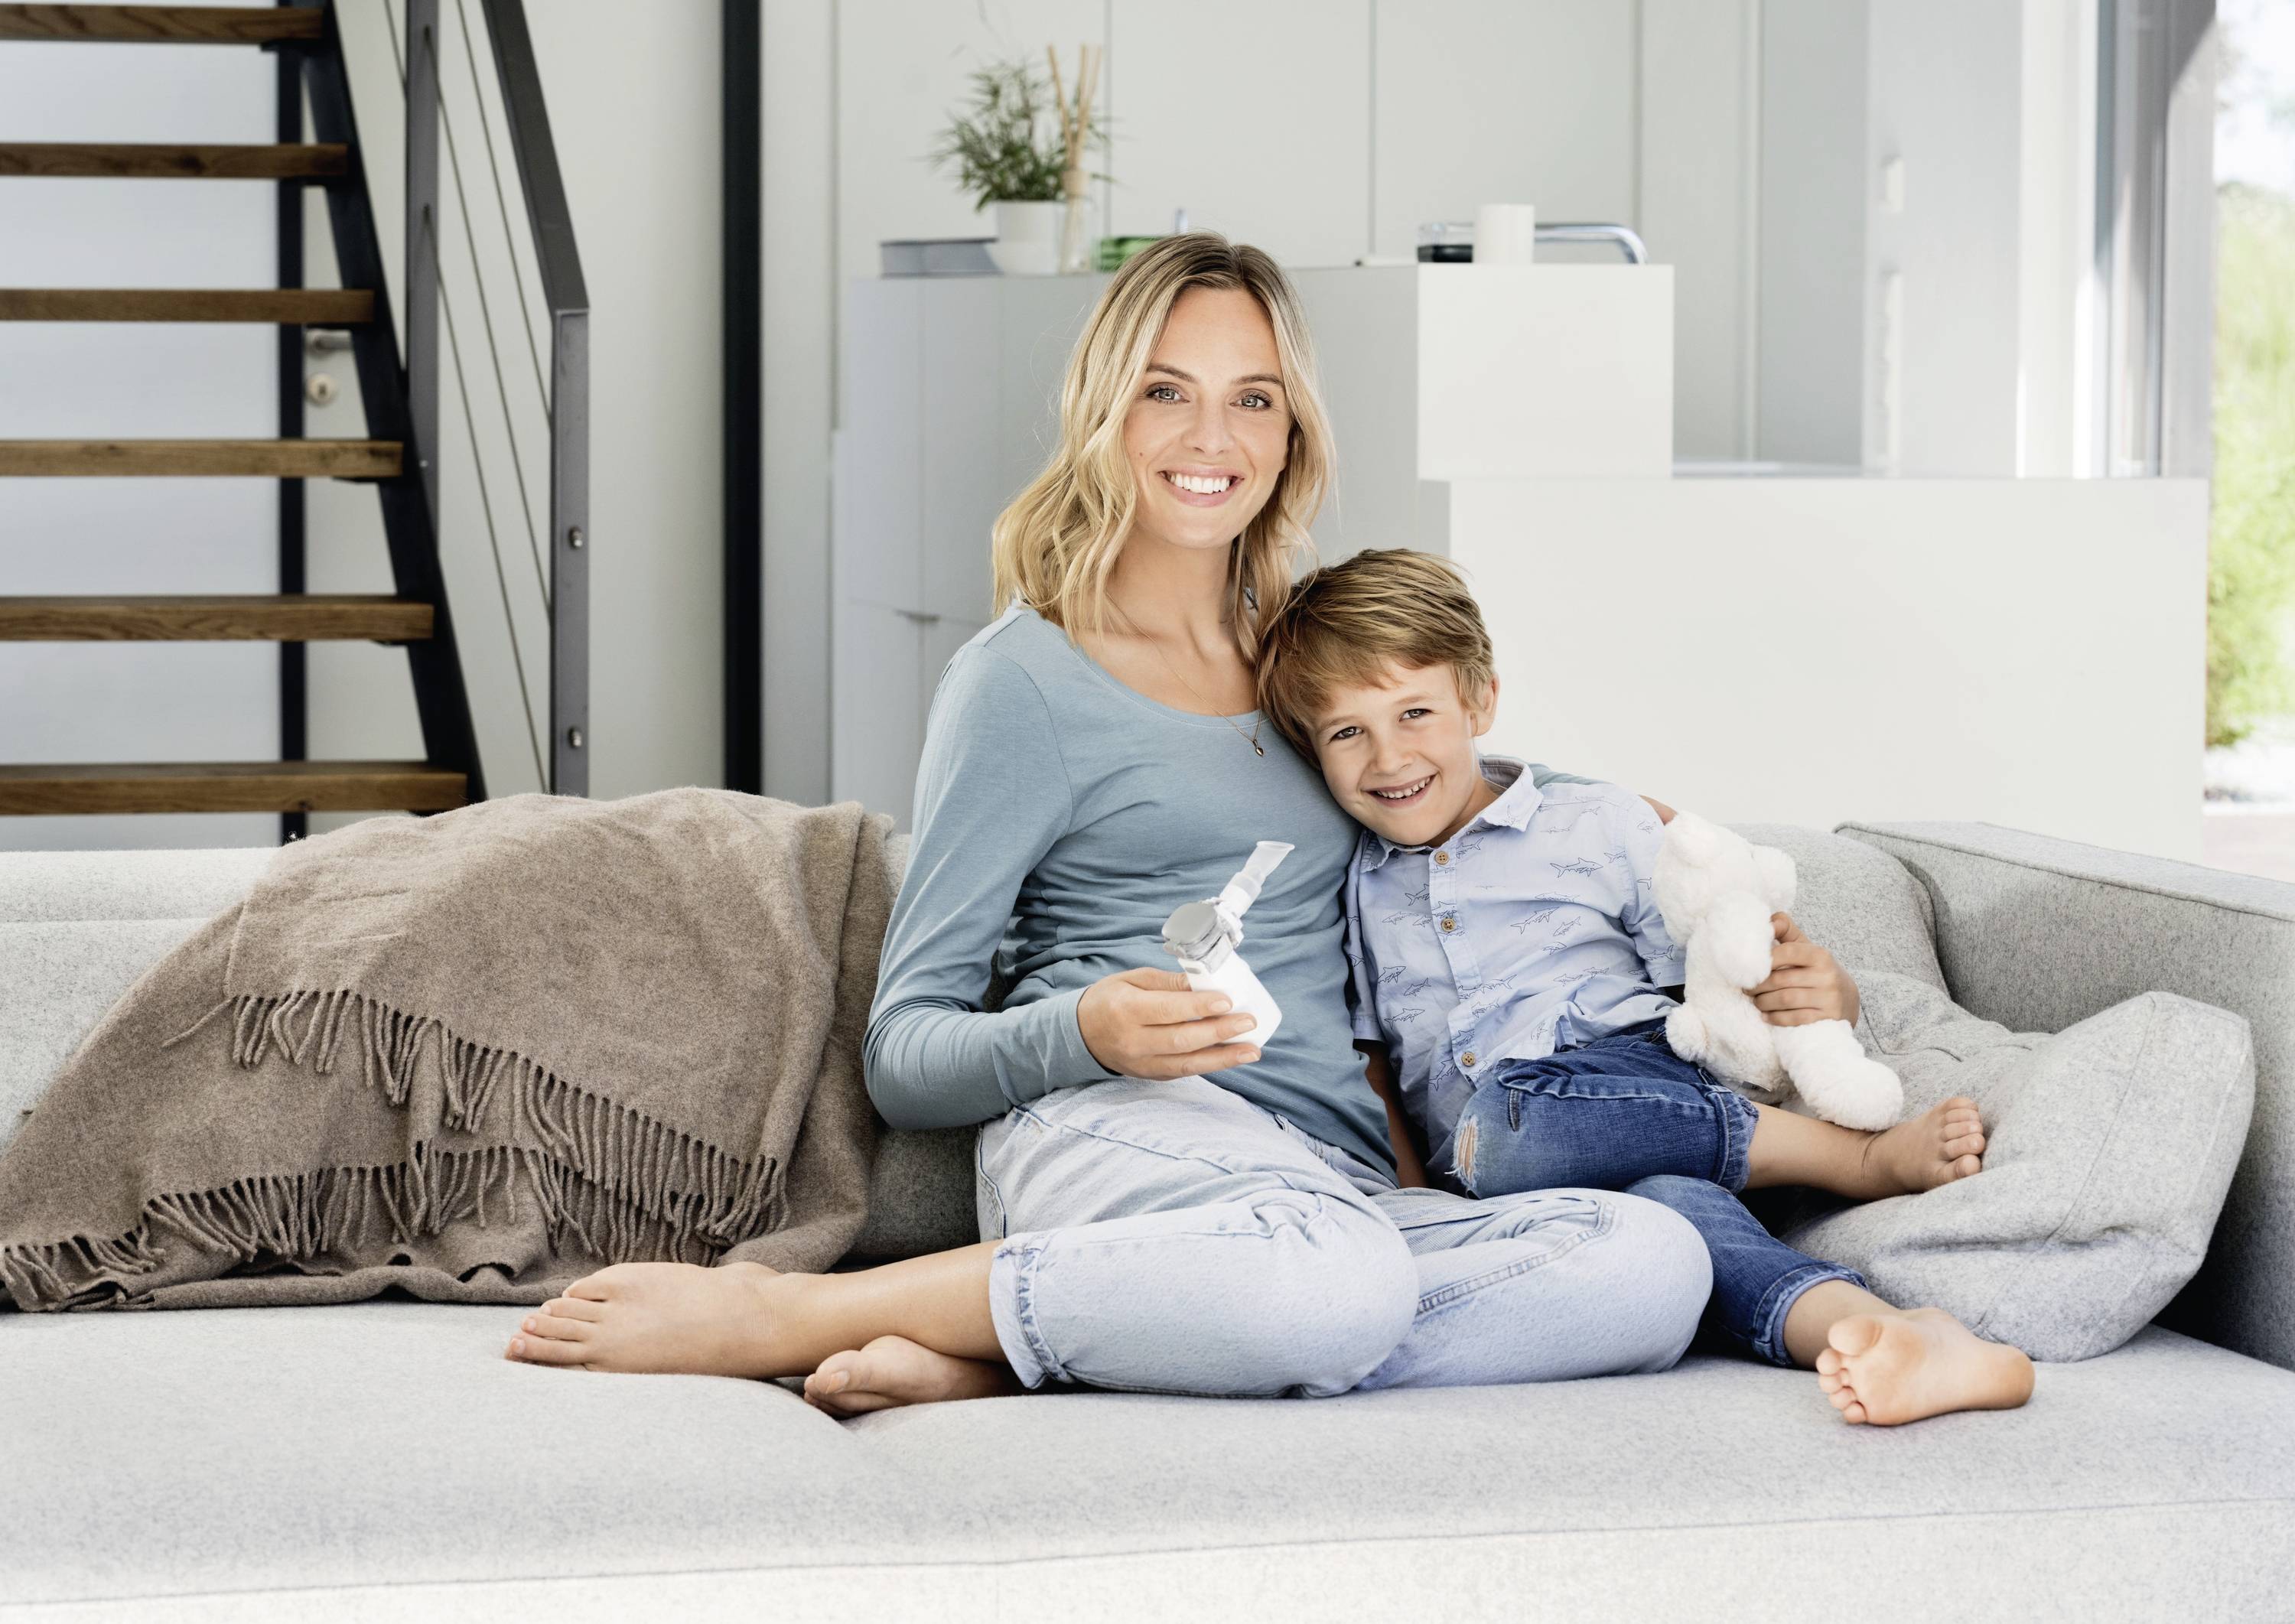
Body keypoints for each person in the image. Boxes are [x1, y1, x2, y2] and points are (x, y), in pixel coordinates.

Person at [503, 233, 1716, 1408]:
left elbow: (1444, 774)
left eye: (1253, 399)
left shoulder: (1310, 655)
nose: (1210, 438)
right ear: (1105, 411)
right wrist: (1087, 1028)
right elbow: (905, 1050)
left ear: (1291, 431)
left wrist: (1694, 879)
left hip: (1324, 1184)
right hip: (1114, 1131)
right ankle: (792, 1313)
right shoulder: (1021, 681)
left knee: (1652, 1263)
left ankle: (1038, 1343)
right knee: (1333, 1283)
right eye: (1166, 392)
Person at [1251, 547, 2036, 1426]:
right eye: (1346, 732)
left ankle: (1853, 1158)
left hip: (1628, 1077)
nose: (1388, 755)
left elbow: (1731, 962)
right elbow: (1380, 1064)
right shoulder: (1355, 885)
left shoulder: (1594, 822)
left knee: (1506, 1125)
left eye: (1416, 711)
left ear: (1479, 700)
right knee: (1691, 1238)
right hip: (1518, 1179)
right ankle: (1906, 1335)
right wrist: (1409, 1198)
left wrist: (1834, 998)